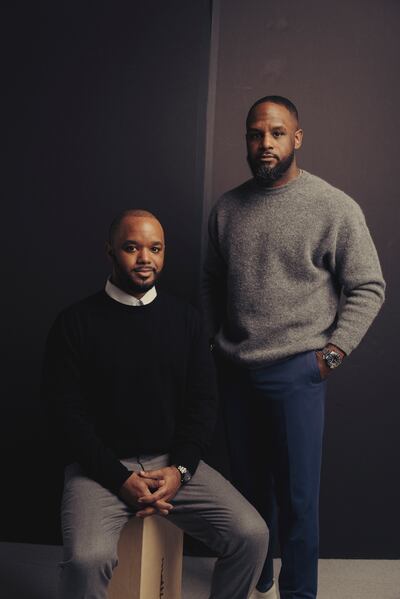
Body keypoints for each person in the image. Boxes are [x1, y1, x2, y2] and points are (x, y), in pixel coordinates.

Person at [202, 96, 385, 599]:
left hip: (298, 372)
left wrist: (331, 355)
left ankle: (299, 591)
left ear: (296, 138)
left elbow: (369, 286)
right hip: (236, 369)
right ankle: (256, 575)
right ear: (246, 140)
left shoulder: (333, 206)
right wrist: (213, 344)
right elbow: (210, 284)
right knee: (246, 491)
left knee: (299, 497)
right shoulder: (227, 209)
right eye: (256, 135)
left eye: (277, 134)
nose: (266, 144)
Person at [42, 209, 269, 599]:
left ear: (164, 254)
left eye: (155, 248)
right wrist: (118, 478)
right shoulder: (74, 323)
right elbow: (66, 416)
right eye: (132, 247)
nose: (145, 258)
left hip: (171, 464)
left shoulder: (188, 321)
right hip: (99, 470)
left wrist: (179, 470)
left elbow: (202, 405)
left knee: (252, 535)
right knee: (87, 560)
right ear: (110, 251)